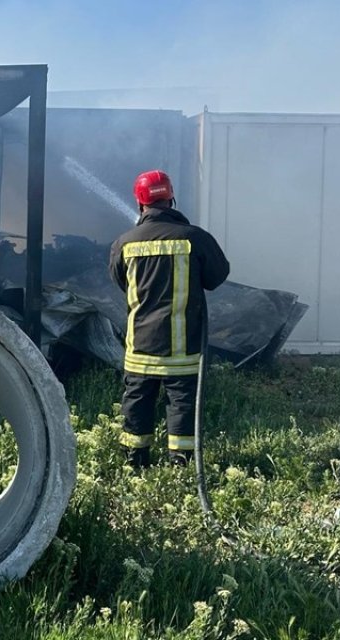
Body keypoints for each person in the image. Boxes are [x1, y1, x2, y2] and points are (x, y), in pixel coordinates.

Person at [108, 170, 230, 469]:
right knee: (182, 403)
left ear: (140, 203)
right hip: (183, 345)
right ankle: (181, 465)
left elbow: (120, 282)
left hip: (140, 346)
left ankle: (134, 464)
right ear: (171, 198)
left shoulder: (125, 243)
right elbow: (217, 276)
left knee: (137, 402)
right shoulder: (195, 238)